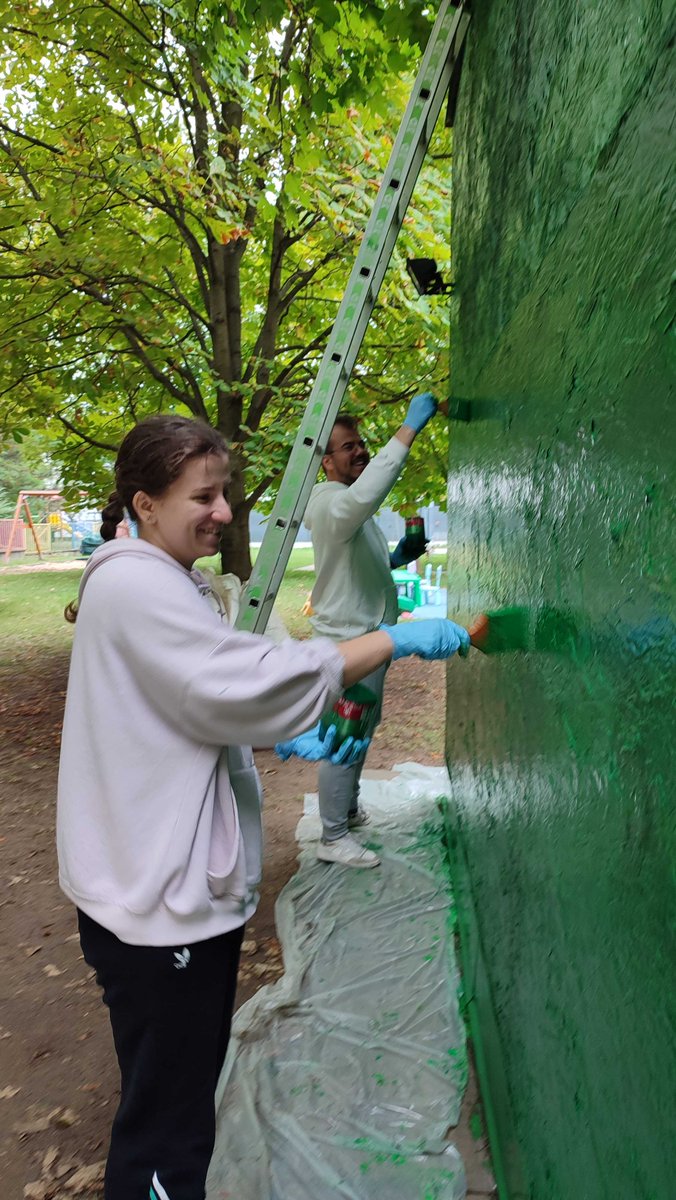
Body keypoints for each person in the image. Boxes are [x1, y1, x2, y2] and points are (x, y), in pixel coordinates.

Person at [56, 413, 469, 1200]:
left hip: (151, 887)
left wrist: (274, 743)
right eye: (202, 497)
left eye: (225, 495)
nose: (222, 512)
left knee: (175, 1102)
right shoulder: (138, 583)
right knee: (168, 1132)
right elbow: (235, 679)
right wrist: (392, 640)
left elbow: (188, 700)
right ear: (144, 503)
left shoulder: (162, 577)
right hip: (157, 903)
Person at [276, 392, 442, 869]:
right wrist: (407, 431)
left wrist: (397, 558)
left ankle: (345, 811)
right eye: (348, 447)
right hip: (349, 642)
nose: (360, 451)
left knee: (361, 728)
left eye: (361, 443)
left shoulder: (345, 507)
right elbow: (368, 492)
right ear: (326, 462)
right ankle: (332, 835)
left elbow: (353, 560)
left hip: (366, 636)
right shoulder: (330, 503)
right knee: (345, 735)